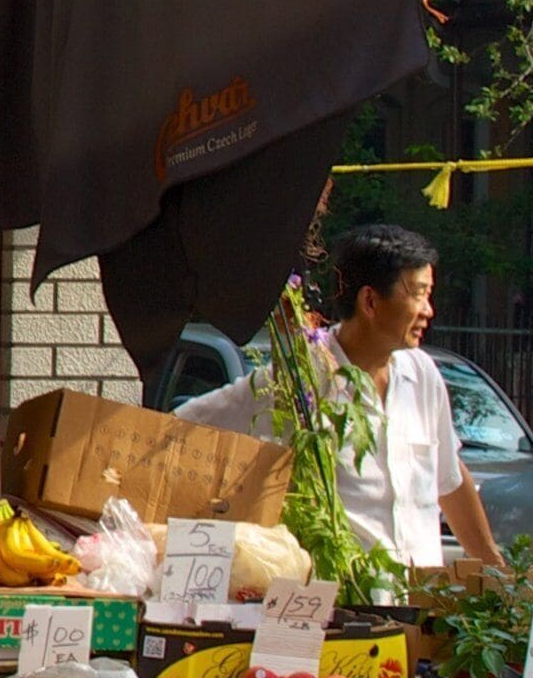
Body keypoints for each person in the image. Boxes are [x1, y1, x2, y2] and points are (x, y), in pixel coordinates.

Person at [177, 223, 499, 575]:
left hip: (420, 608)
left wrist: (494, 568)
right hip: (344, 609)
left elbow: (448, 479)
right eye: (418, 294)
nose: (428, 311)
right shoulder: (298, 378)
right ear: (371, 302)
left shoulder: (423, 375)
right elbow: (184, 425)